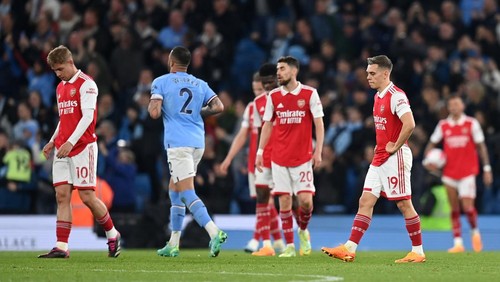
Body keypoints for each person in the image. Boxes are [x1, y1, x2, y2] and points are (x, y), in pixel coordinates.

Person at [321, 55, 426, 263]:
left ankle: (418, 251)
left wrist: (395, 146)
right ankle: (349, 248)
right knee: (365, 200)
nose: (367, 77)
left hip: (395, 157)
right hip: (379, 157)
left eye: (372, 73)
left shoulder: (396, 95)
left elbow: (410, 123)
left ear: (385, 73)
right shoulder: (378, 96)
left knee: (404, 203)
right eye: (367, 73)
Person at [38, 45, 121, 259]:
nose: (58, 74)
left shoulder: (87, 84)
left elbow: (87, 119)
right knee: (62, 195)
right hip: (63, 147)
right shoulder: (60, 87)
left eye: (59, 69)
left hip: (83, 147)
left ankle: (112, 234)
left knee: (87, 197)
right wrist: (52, 141)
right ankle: (62, 246)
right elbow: (64, 119)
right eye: (54, 71)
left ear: (69, 62)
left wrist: (70, 142)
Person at [148, 46, 227, 258]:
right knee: (174, 190)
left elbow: (155, 113)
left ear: (171, 61)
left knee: (186, 191)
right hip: (197, 143)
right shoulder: (200, 84)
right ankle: (173, 243)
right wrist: (198, 112)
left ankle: (214, 231)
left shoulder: (161, 81)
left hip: (178, 144)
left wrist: (153, 105)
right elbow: (219, 106)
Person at [256, 56, 325, 257]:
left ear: (294, 71)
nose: (278, 73)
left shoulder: (309, 94)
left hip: (302, 158)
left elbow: (319, 123)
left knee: (305, 202)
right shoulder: (274, 97)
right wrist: (261, 152)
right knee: (284, 202)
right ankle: (289, 246)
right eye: (278, 69)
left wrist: (318, 150)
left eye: (283, 69)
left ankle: (303, 230)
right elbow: (267, 125)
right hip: (279, 158)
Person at [220, 67, 285, 255]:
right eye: (255, 90)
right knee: (265, 203)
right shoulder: (253, 107)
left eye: (260, 89)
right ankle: (276, 241)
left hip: (276, 160)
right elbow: (241, 136)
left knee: (267, 203)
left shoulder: (279, 102)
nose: (259, 93)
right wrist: (229, 158)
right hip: (255, 163)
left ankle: (260, 240)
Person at [424, 95, 493, 253]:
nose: (454, 107)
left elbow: (481, 147)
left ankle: (475, 232)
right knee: (454, 208)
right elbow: (431, 145)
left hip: (467, 172)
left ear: (463, 106)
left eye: (457, 103)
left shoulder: (471, 123)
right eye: (451, 104)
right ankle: (458, 243)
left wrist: (487, 168)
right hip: (449, 173)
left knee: (468, 208)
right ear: (448, 108)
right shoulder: (443, 125)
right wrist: (429, 161)